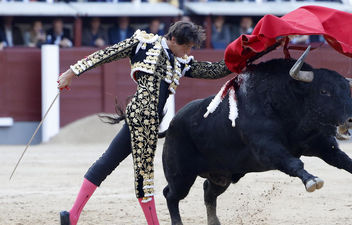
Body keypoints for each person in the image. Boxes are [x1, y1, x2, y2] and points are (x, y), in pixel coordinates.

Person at [57, 21, 232, 225]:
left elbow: (212, 71)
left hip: (144, 119)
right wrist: (71, 73)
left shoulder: (179, 61)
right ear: (173, 39)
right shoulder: (143, 43)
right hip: (143, 120)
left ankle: (72, 215)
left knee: (108, 162)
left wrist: (241, 57)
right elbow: (105, 54)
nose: (187, 52)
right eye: (186, 47)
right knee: (144, 178)